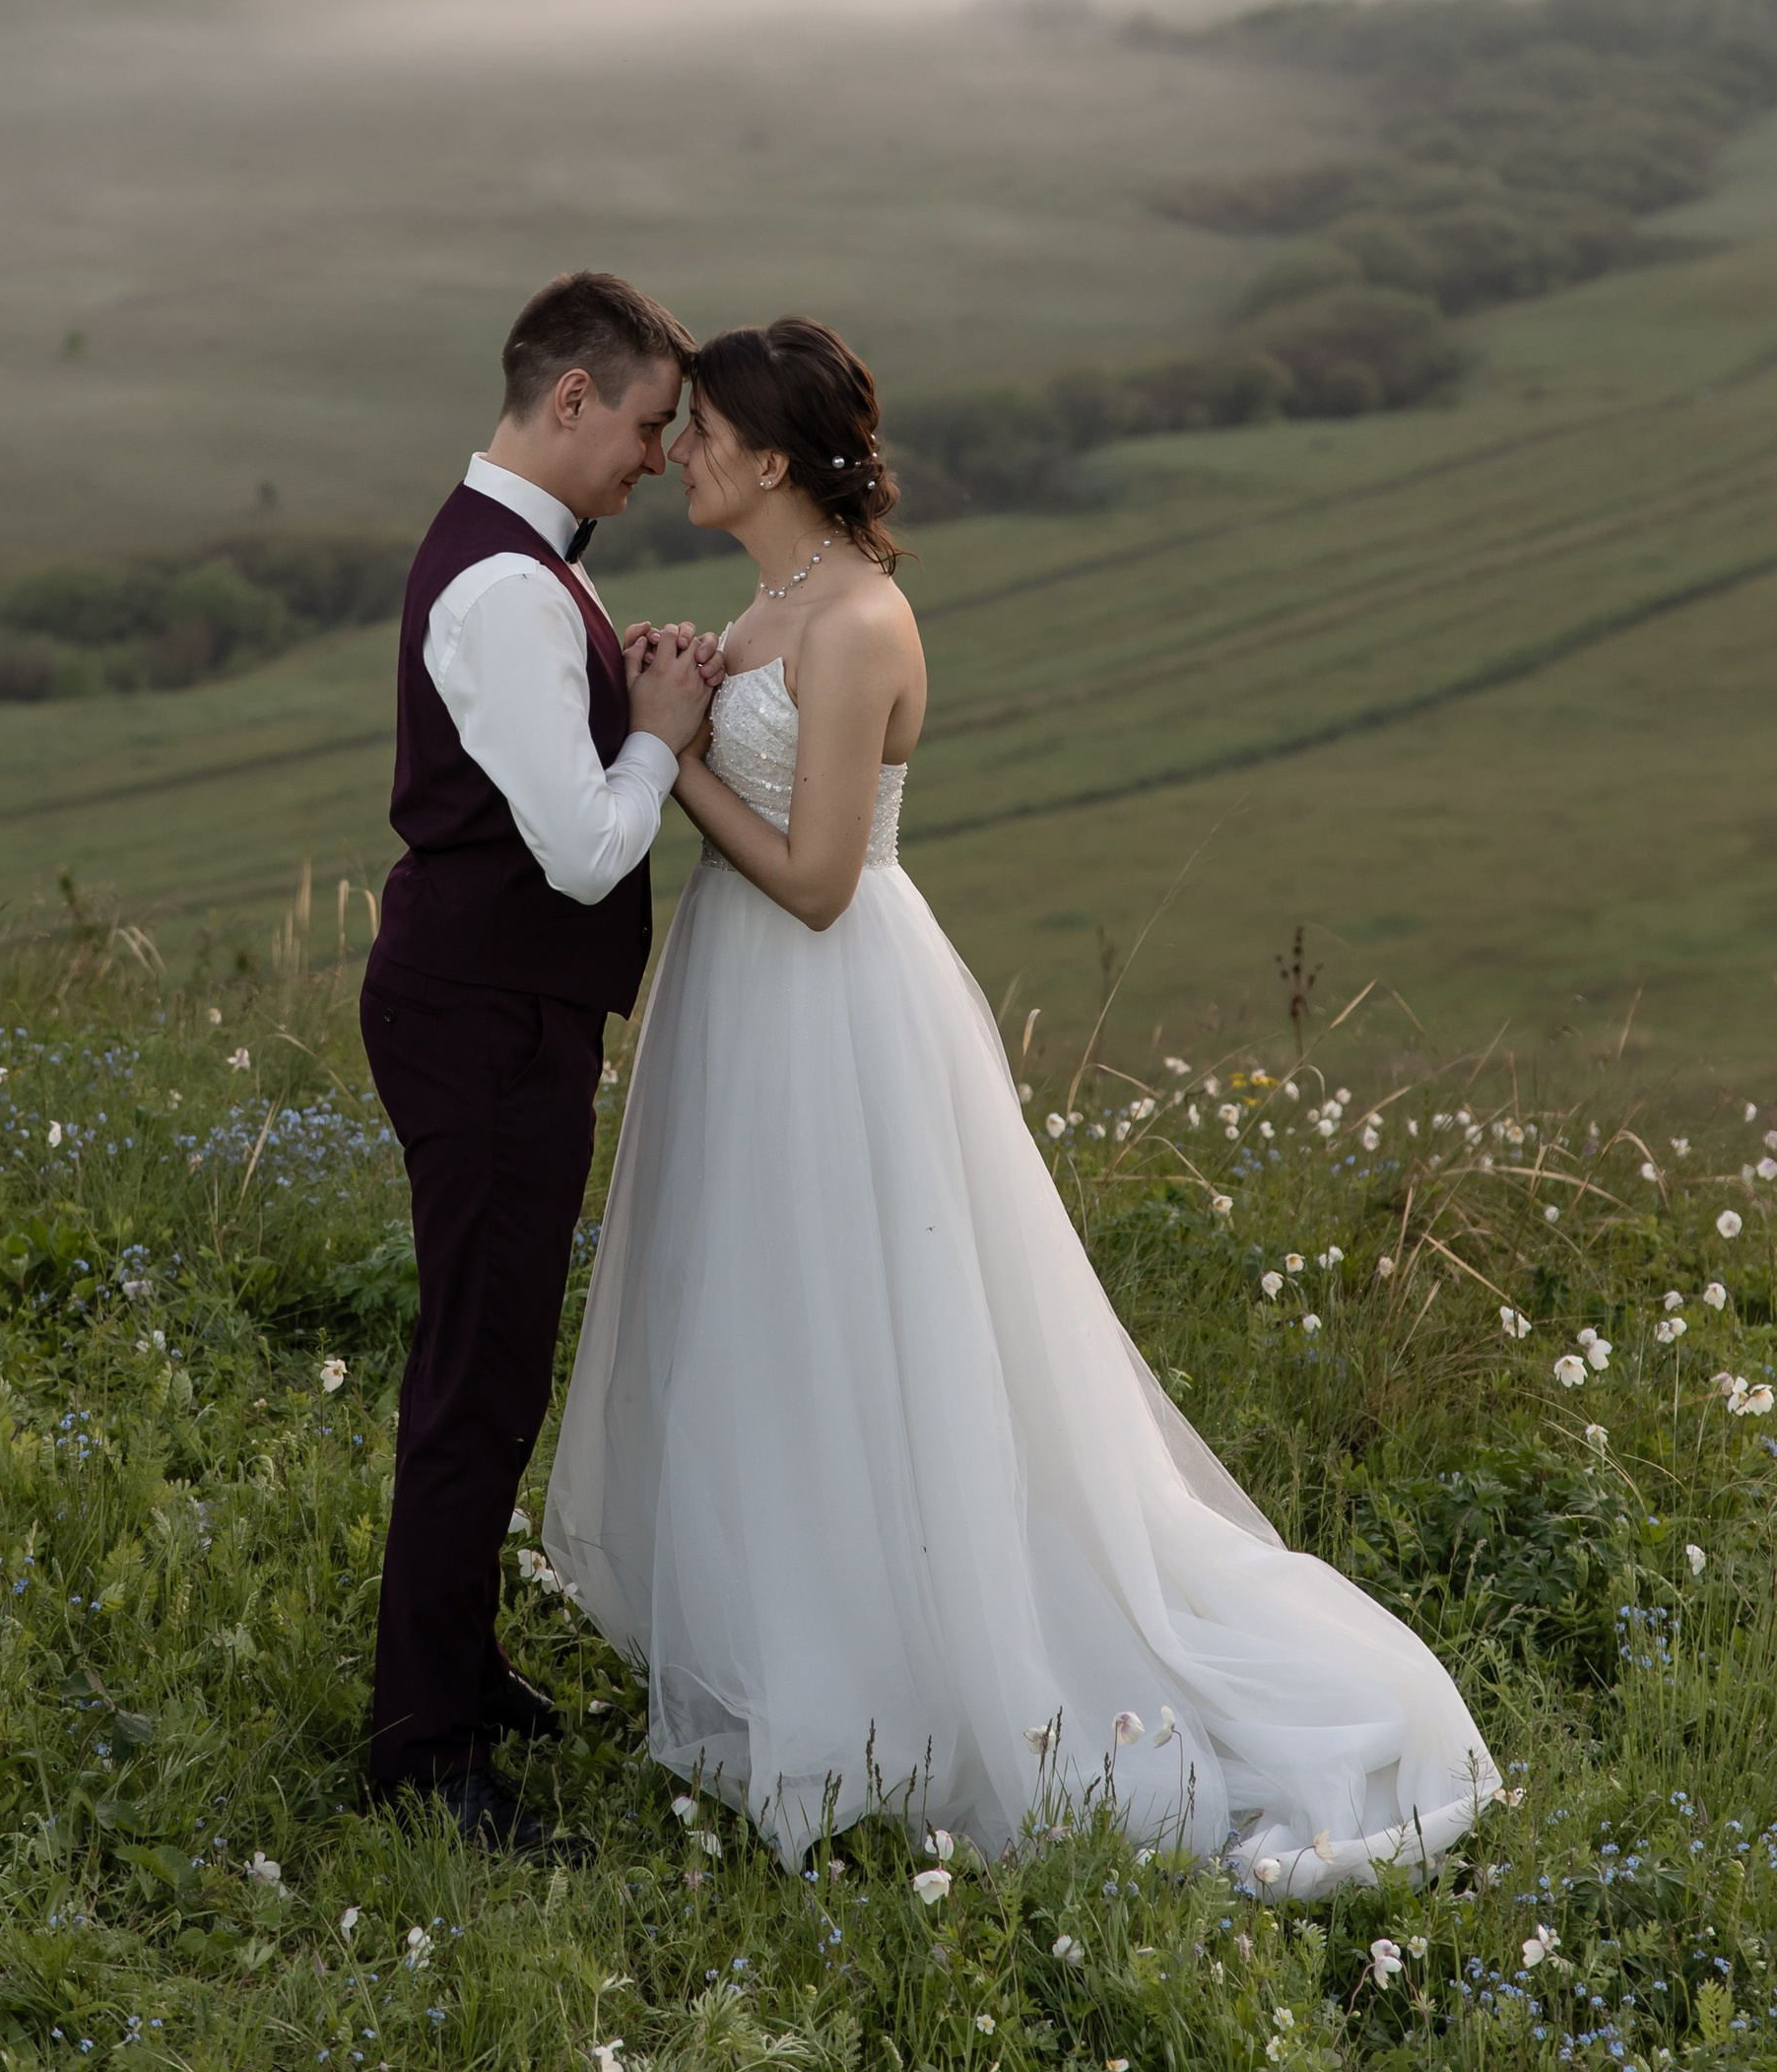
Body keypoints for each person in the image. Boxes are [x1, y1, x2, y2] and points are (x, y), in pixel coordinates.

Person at [545, 313, 1496, 1893]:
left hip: (831, 1000)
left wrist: (670, 750)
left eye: (702, 429)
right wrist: (693, 708)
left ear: (771, 456)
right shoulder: (777, 596)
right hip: (743, 1003)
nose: (679, 451)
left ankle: (914, 1680)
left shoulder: (858, 622)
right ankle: (804, 1648)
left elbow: (821, 877)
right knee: (771, 1327)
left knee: (870, 1332)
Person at [362, 269, 713, 1848]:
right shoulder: (506, 587)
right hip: (484, 1014)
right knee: (477, 1376)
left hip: (495, 1006)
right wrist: (658, 731)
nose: (657, 458)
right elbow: (577, 850)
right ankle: (427, 1753)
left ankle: (458, 1662)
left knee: (491, 1361)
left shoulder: (525, 566)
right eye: (646, 424)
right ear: (570, 397)